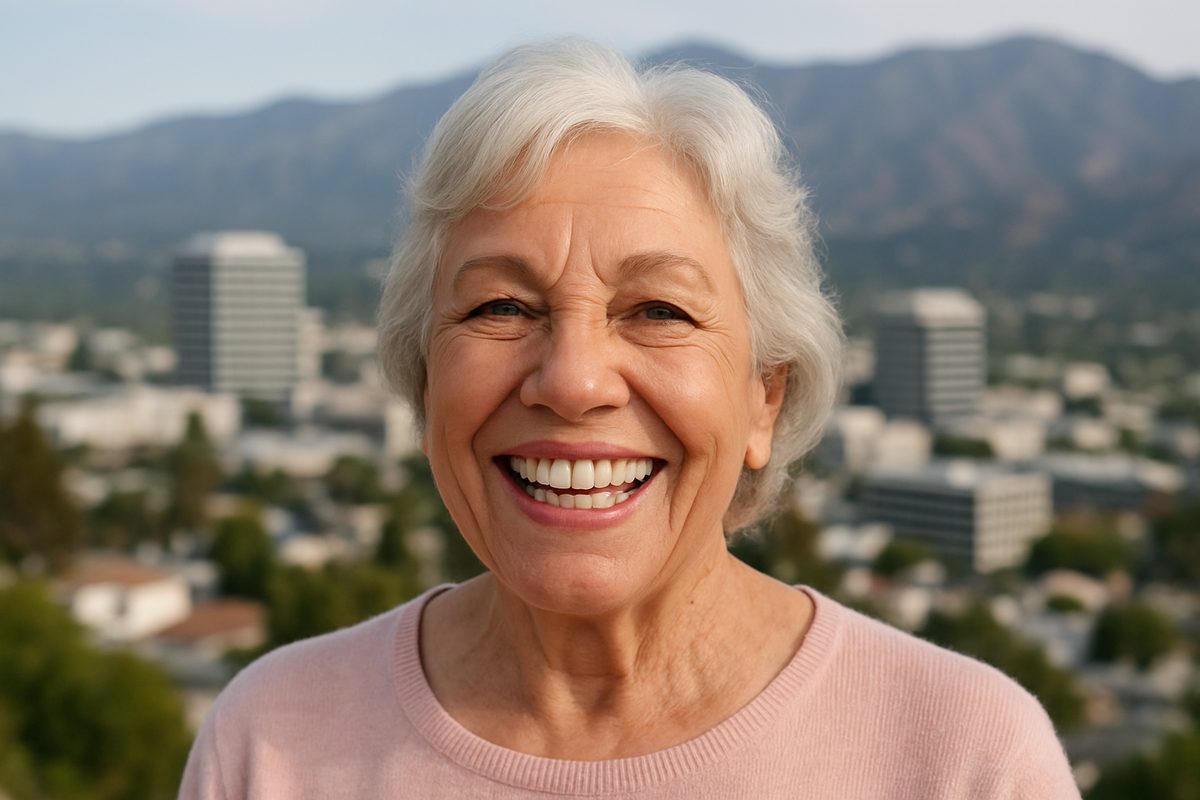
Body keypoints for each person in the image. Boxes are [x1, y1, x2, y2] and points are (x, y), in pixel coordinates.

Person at [179, 40, 1081, 799]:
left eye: (658, 311)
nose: (572, 383)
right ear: (422, 383)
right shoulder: (269, 744)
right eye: (500, 307)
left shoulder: (967, 761)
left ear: (765, 395)